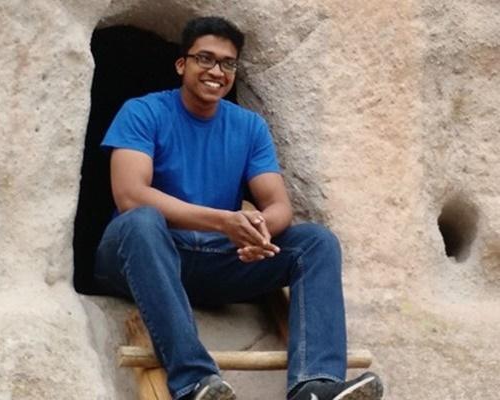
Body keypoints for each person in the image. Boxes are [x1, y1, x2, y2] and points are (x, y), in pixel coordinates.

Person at [94, 16, 384, 400]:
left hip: (217, 260)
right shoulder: (143, 112)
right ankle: (194, 382)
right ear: (181, 64)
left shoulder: (249, 127)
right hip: (141, 257)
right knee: (142, 221)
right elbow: (130, 195)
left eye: (227, 63)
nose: (217, 71)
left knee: (316, 242)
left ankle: (315, 386)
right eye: (205, 58)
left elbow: (278, 205)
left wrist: (258, 230)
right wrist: (223, 222)